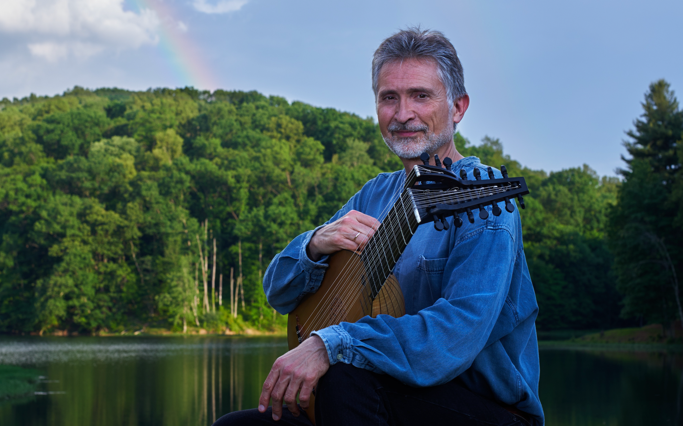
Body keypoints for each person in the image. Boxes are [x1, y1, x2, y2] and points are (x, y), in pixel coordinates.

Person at [215, 28, 543, 426]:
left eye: (420, 95)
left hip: (485, 411)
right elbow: (279, 292)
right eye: (389, 97)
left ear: (458, 107)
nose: (403, 114)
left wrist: (330, 344)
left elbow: (456, 335)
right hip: (374, 397)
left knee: (344, 376)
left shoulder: (483, 195)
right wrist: (317, 243)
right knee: (236, 425)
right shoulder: (374, 195)